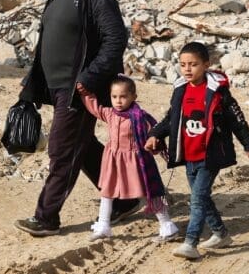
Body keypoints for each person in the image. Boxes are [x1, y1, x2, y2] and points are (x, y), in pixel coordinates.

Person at [14, 0, 140, 236]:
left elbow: (115, 41)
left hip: (80, 90)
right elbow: (47, 42)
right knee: (80, 147)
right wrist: (32, 85)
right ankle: (123, 201)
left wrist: (88, 78)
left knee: (62, 149)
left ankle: (46, 218)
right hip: (57, 87)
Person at [145, 42, 249, 260]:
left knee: (197, 199)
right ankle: (221, 233)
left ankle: (191, 242)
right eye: (183, 64)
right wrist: (155, 134)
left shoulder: (218, 93)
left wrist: (248, 144)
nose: (187, 69)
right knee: (202, 198)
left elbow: (238, 120)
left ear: (206, 65)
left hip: (211, 155)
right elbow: (171, 119)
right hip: (188, 155)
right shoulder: (180, 90)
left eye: (193, 65)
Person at [76, 77, 180, 242]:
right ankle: (103, 226)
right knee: (107, 192)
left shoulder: (139, 117)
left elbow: (155, 134)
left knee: (149, 192)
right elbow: (94, 107)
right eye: (114, 96)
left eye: (123, 96)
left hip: (135, 161)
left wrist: (154, 144)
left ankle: (167, 226)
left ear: (134, 96)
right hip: (112, 160)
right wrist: (84, 92)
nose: (118, 101)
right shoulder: (110, 114)